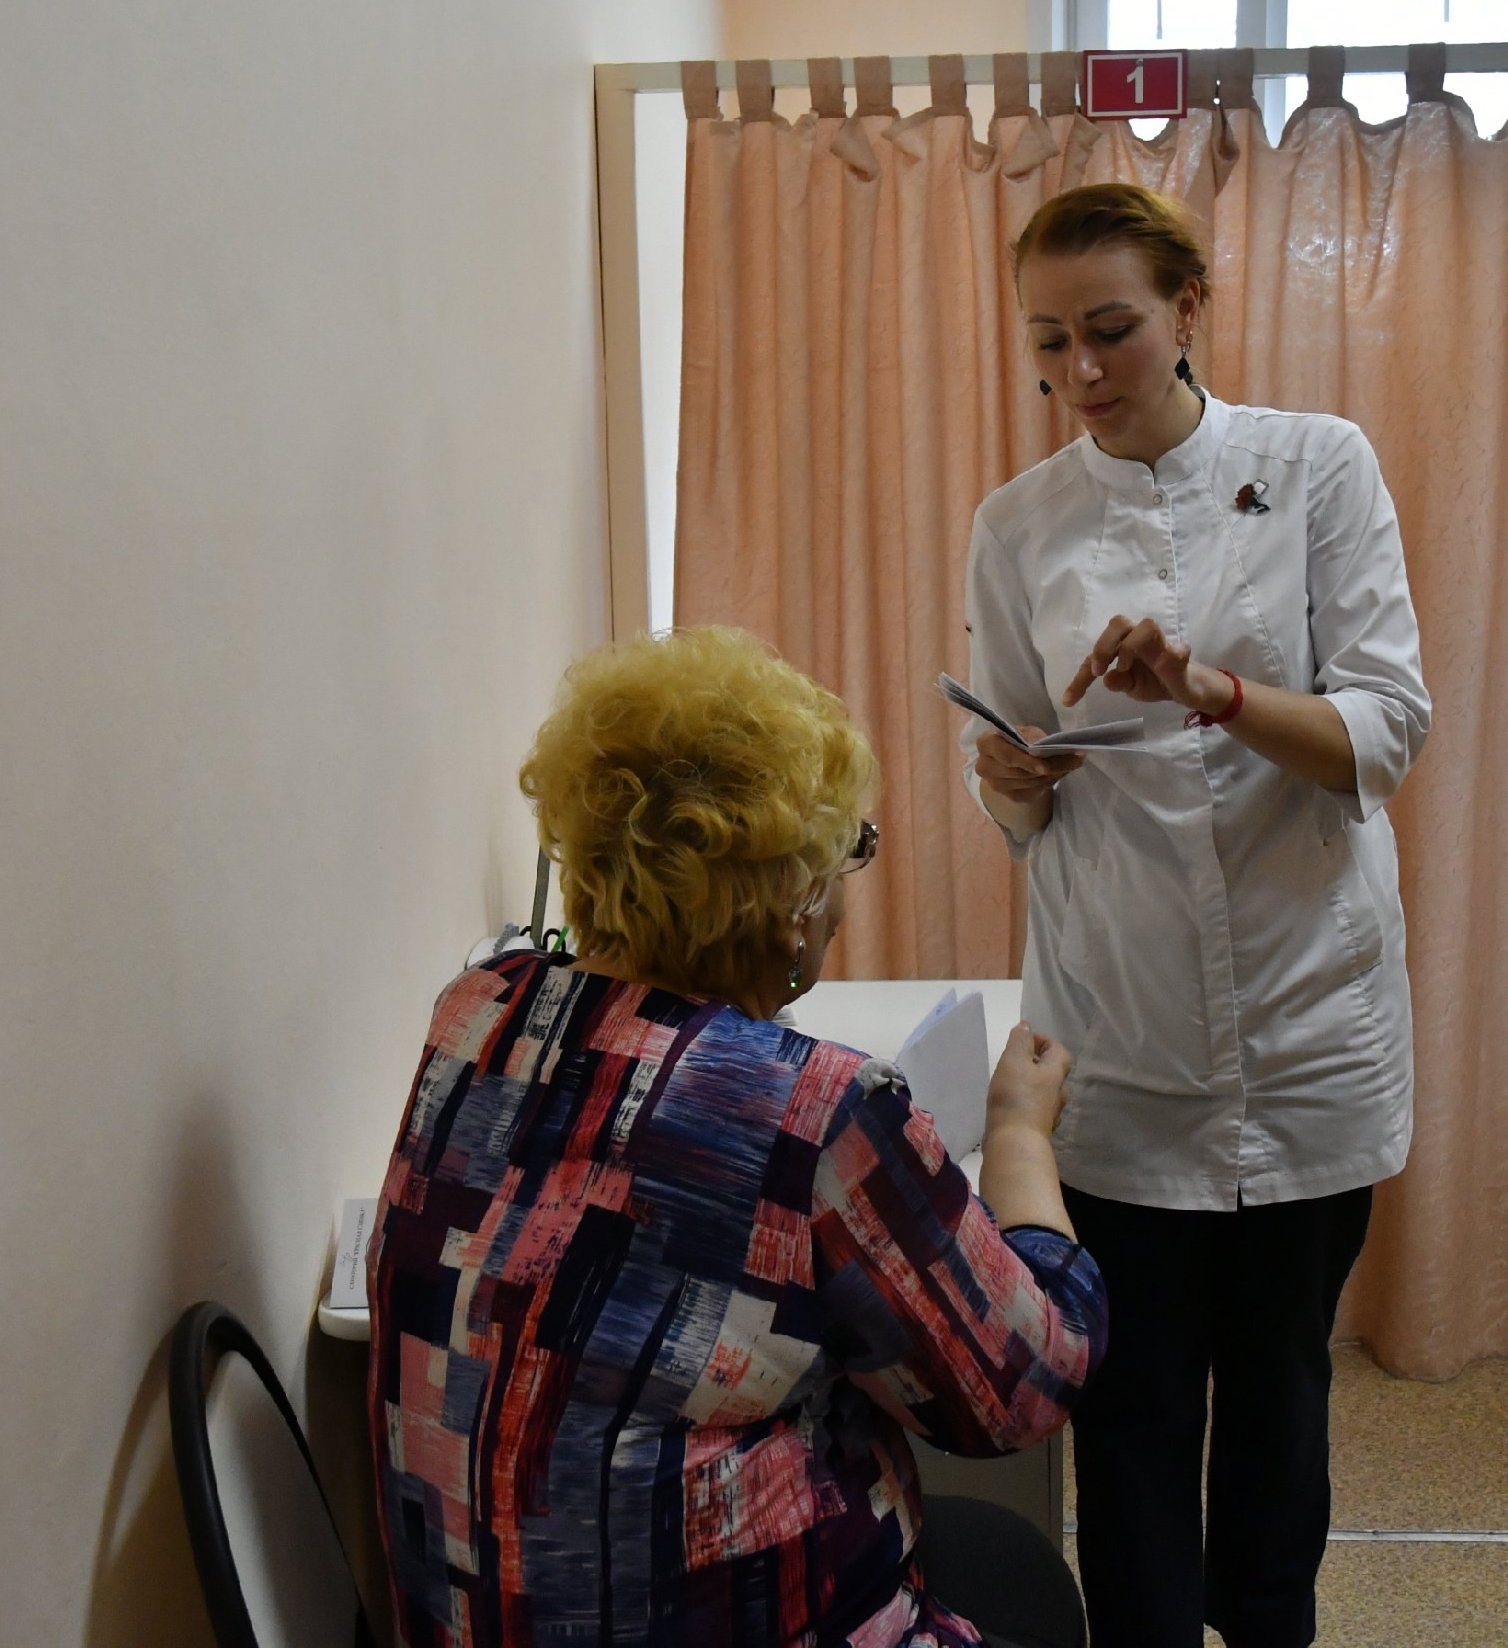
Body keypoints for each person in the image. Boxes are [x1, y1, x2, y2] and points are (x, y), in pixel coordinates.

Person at [368, 626, 1107, 1648]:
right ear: (795, 898)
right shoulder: (814, 1110)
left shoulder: (479, 1011)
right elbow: (1021, 1387)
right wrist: (1020, 1136)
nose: (846, 894)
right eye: (851, 851)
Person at [958, 183, 1431, 1648]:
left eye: (1110, 328)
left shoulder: (1316, 466)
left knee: (1281, 1397)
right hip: (1122, 1033)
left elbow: (1385, 729)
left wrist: (1209, 689)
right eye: (1049, 341)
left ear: (1188, 308)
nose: (1082, 369)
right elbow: (1018, 777)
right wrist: (1009, 776)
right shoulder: (1017, 524)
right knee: (1134, 1409)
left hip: (1307, 1023)